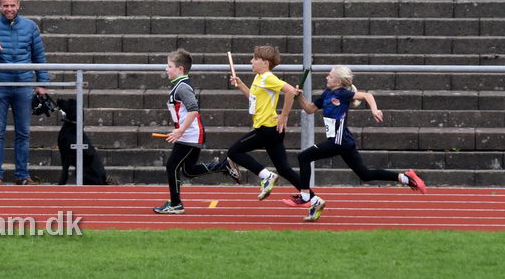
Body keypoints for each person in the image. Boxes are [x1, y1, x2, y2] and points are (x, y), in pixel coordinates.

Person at [287, 65, 427, 221]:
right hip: (344, 142)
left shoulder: (344, 94)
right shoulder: (327, 94)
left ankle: (306, 196)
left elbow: (367, 96)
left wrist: (374, 110)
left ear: (339, 81)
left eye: (330, 76)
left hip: (338, 142)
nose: (326, 77)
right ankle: (406, 178)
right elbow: (309, 109)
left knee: (304, 157)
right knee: (365, 174)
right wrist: (299, 97)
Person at [152, 49, 242, 214]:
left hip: (190, 135)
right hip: (189, 134)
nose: (166, 69)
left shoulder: (182, 88)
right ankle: (223, 166)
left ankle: (176, 204)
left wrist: (180, 131)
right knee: (188, 170)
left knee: (172, 166)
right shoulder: (178, 86)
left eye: (169, 66)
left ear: (180, 69)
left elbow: (193, 110)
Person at [0, 0, 48, 185]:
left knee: (23, 132)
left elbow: (39, 56)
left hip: (23, 86)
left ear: (18, 5)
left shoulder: (30, 26)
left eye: (12, 5)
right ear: (0, 6)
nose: (9, 9)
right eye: (5, 5)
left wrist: (42, 83)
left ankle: (22, 175)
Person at [226, 45, 302, 200]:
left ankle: (266, 176)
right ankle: (313, 198)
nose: (251, 61)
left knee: (234, 152)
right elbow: (254, 99)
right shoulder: (258, 78)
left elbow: (290, 91)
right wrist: (241, 86)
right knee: (284, 169)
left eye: (255, 59)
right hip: (271, 130)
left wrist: (284, 115)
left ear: (265, 63)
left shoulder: (268, 77)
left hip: (267, 128)